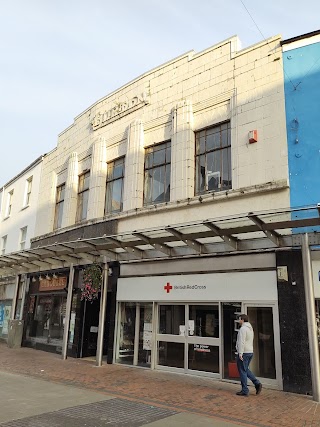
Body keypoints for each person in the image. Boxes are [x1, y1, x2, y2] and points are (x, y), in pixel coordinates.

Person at [235, 314, 262, 396]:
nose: (238, 321)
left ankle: (245, 390)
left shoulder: (243, 329)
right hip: (250, 351)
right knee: (245, 369)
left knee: (242, 371)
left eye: (239, 319)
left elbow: (241, 342)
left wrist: (240, 353)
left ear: (242, 320)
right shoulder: (250, 328)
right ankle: (257, 383)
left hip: (244, 352)